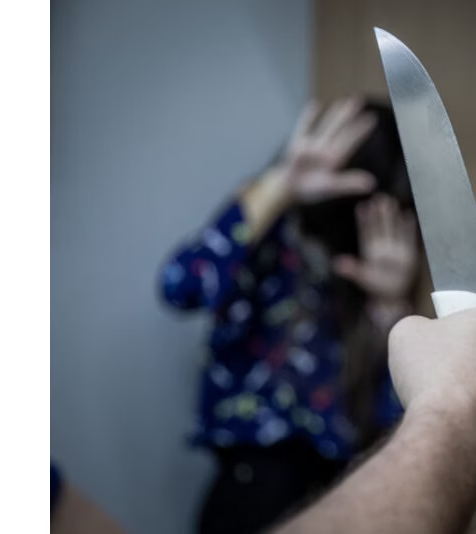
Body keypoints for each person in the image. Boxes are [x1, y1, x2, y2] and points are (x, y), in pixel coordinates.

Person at [50, 305, 476, 534]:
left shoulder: (377, 299)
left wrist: (387, 310)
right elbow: (181, 284)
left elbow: (391, 423)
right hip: (248, 484)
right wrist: (463, 415)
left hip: (343, 482)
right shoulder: (268, 257)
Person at [159, 97, 422, 533]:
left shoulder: (368, 288)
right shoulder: (267, 247)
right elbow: (181, 286)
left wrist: (392, 308)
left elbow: (401, 436)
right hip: (250, 493)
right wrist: (280, 184)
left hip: (343, 497)